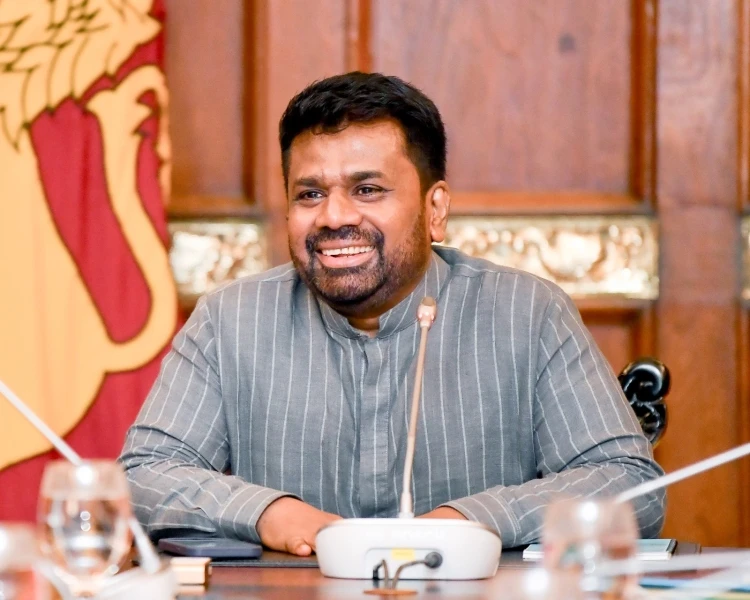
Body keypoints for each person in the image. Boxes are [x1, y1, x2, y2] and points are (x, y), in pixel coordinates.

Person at [120, 72, 665, 556]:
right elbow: (143, 475)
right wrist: (269, 513)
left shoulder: (529, 313)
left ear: (435, 208)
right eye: (309, 194)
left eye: (367, 190)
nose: (334, 217)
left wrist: (469, 522)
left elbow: (628, 484)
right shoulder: (230, 319)